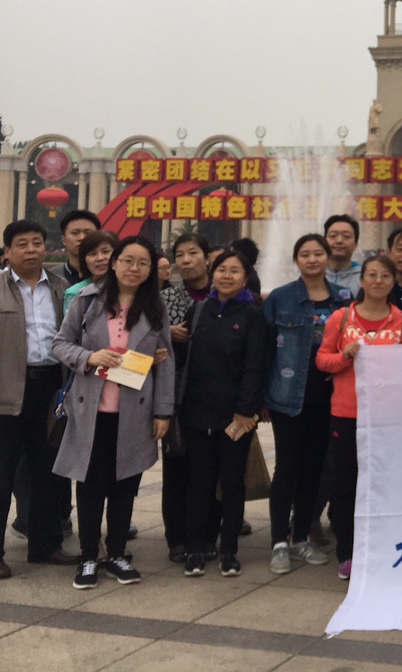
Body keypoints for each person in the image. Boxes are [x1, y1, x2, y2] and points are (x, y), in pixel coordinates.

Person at [52, 236, 174, 589]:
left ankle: (118, 553)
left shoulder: (155, 307)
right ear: (115, 263)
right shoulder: (88, 301)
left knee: (125, 484)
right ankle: (89, 555)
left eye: (143, 263)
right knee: (90, 486)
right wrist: (89, 357)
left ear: (151, 270)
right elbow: (60, 343)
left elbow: (166, 362)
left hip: (134, 412)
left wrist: (163, 411)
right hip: (91, 410)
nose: (134, 268)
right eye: (127, 260)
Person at [0, 220, 77, 578]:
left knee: (48, 473)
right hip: (4, 393)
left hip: (49, 390)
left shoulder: (61, 289)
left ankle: (46, 545)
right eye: (22, 244)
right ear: (7, 252)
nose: (31, 250)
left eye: (37, 243)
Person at [316, 254, 402, 580]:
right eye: (372, 275)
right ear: (361, 280)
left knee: (383, 484)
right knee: (347, 484)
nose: (378, 281)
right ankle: (347, 552)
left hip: (387, 417)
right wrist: (344, 357)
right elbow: (322, 360)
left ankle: (382, 549)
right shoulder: (342, 318)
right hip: (347, 413)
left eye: (385, 276)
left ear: (393, 281)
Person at [261, 234, 350, 576]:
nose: (312, 260)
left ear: (327, 258)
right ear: (296, 260)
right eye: (305, 254)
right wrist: (262, 398)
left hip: (329, 397)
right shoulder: (280, 298)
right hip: (287, 397)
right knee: (287, 468)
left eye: (318, 253)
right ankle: (278, 542)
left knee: (314, 468)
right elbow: (265, 348)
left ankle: (301, 537)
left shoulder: (344, 298)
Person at [181, 249, 268, 579]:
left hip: (236, 418)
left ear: (246, 278)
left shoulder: (252, 314)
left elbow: (255, 366)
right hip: (197, 413)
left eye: (235, 271)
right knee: (198, 482)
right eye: (221, 270)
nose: (226, 276)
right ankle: (195, 548)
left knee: (232, 484)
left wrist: (245, 411)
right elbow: (187, 357)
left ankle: (229, 550)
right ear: (212, 273)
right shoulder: (199, 310)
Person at [159, 232, 213, 562]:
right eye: (179, 255)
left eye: (192, 253)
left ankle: (208, 534)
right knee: (177, 466)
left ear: (207, 258)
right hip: (176, 394)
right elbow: (145, 338)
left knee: (211, 469)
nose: (185, 260)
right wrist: (167, 333)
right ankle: (177, 537)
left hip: (216, 394)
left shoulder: (225, 294)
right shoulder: (163, 299)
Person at [61, 230, 119, 312]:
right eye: (92, 254)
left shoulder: (129, 288)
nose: (100, 258)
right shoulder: (75, 293)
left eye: (105, 252)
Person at [54, 209, 101, 287]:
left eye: (88, 233)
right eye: (75, 233)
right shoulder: (50, 278)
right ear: (63, 240)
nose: (82, 238)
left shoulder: (110, 277)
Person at [323, 214, 362, 295]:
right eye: (333, 236)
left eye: (346, 236)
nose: (339, 241)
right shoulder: (314, 274)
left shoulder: (364, 276)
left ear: (356, 244)